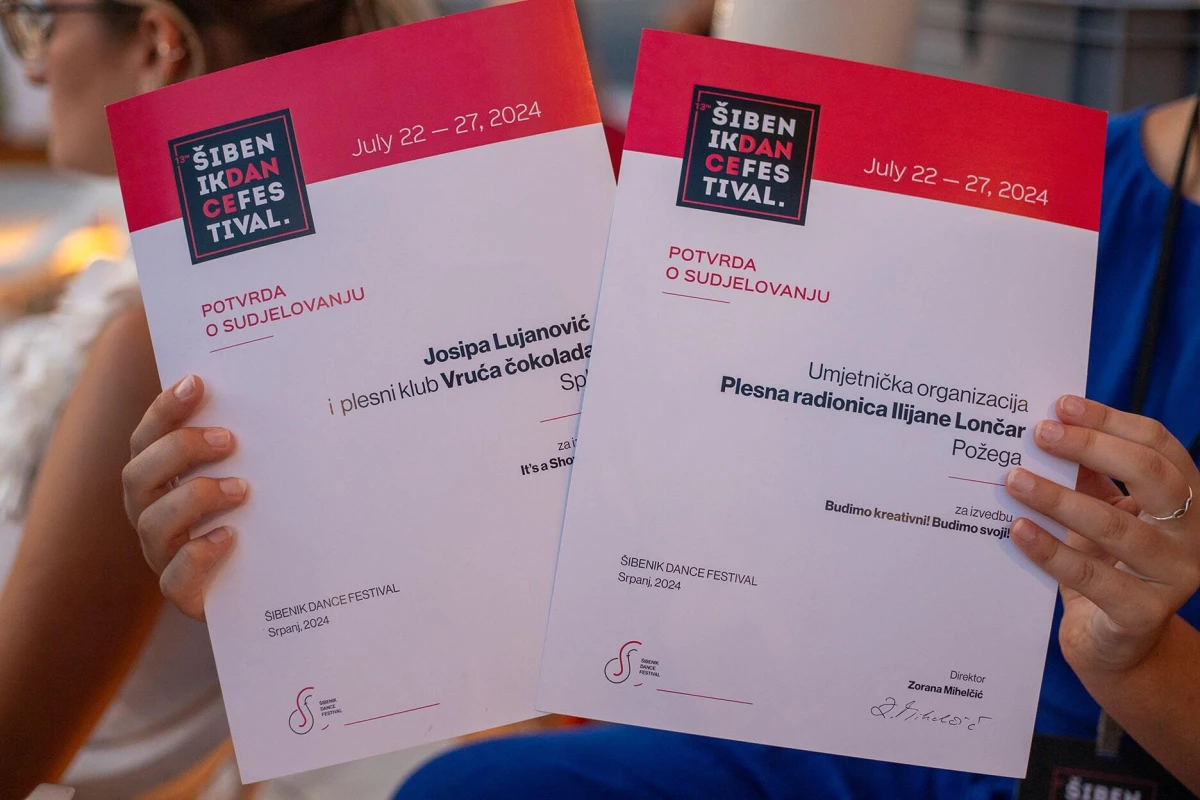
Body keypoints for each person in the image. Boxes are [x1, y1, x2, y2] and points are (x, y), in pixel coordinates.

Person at [123, 82, 1200, 798]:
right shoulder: (1035, 198)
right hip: (871, 736)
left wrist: (1147, 661)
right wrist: (286, 548)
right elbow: (737, 521)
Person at [0, 1, 432, 797]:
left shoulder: (158, 346)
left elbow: (12, 748)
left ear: (158, 43)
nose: (31, 67)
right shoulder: (304, 295)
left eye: (38, 20)